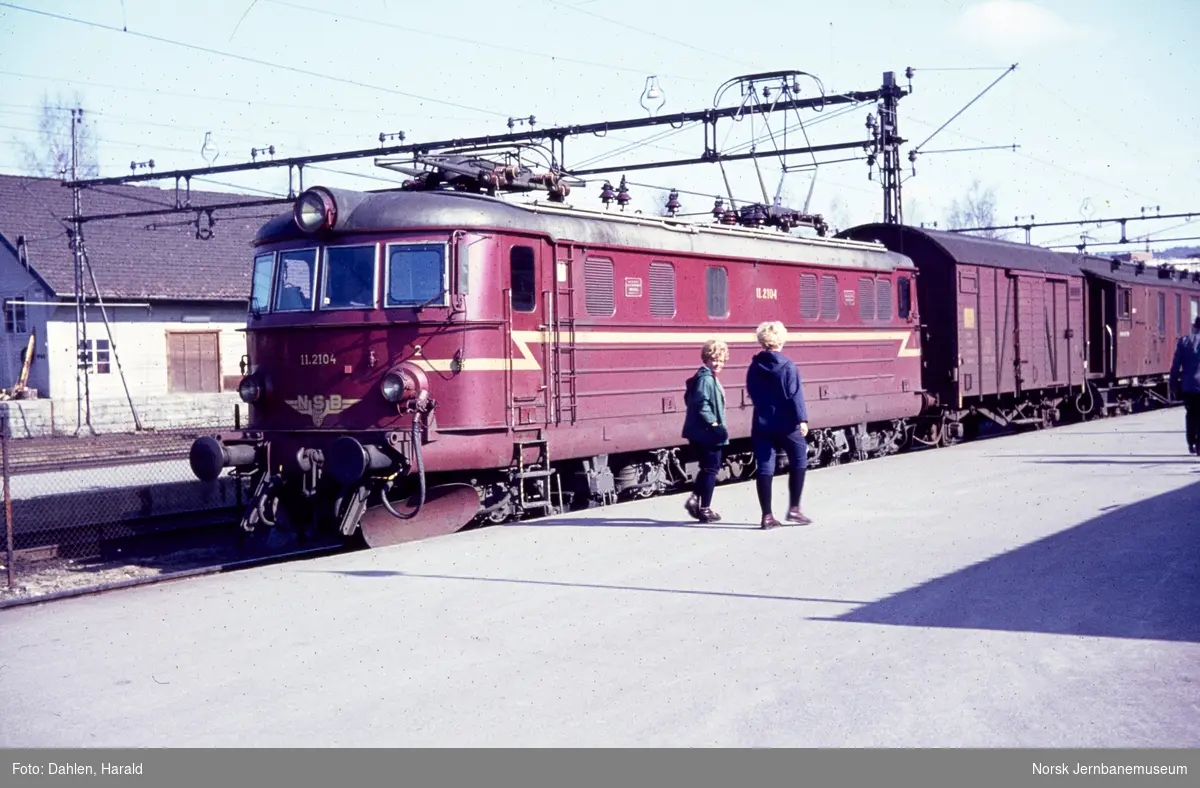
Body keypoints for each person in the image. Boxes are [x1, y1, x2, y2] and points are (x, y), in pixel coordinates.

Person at [745, 321, 813, 529]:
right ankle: (794, 510)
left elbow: (751, 392)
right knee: (799, 458)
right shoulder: (788, 366)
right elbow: (795, 396)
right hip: (786, 424)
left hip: (762, 423)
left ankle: (767, 516)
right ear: (781, 340)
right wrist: (802, 419)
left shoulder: (754, 366)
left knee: (765, 467)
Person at [681, 339, 730, 523]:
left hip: (701, 432)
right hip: (708, 433)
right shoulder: (706, 379)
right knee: (711, 468)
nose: (718, 363)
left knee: (707, 468)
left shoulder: (703, 377)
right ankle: (705, 508)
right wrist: (715, 424)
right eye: (714, 359)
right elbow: (702, 404)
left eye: (722, 360)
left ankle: (695, 500)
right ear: (707, 359)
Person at [1169, 315, 1200, 454]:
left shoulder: (1184, 341)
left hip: (1188, 386)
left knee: (1191, 414)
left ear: (1195, 326)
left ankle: (1191, 442)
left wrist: (1173, 383)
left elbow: (1176, 366)